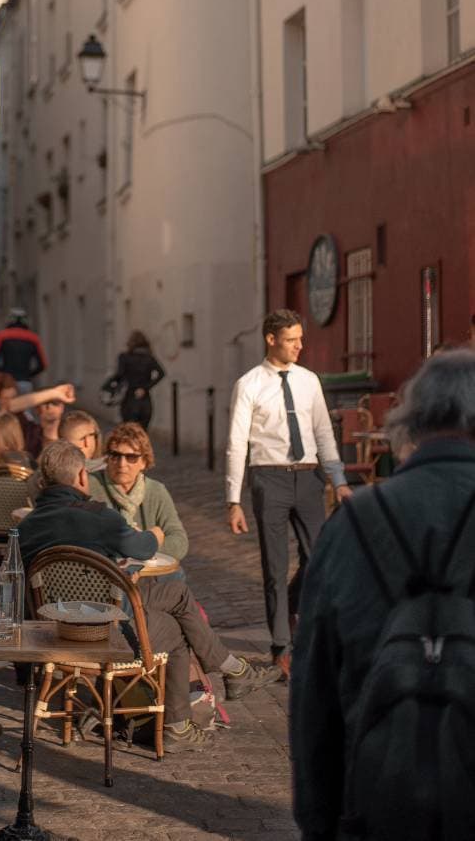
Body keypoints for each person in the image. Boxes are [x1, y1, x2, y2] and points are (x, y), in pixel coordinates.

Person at [290, 349, 475, 841]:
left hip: (378, 803)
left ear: (409, 425)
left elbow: (313, 698)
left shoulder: (353, 523)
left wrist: (318, 823)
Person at [18, 442, 281, 750]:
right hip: (105, 630)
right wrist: (155, 534)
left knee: (178, 594)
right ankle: (182, 721)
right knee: (172, 628)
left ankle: (232, 671)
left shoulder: (27, 526)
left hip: (54, 633)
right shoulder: (97, 516)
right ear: (80, 476)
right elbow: (142, 548)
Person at [224, 309, 351, 677]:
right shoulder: (249, 384)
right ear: (271, 339)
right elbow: (236, 444)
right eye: (292, 339)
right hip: (269, 478)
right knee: (274, 567)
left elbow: (324, 432)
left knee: (320, 559)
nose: (300, 345)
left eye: (300, 338)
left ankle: (300, 612)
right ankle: (282, 646)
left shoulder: (309, 380)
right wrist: (233, 500)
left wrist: (338, 479)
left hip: (309, 478)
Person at [89, 423, 189, 564]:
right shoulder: (90, 486)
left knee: (176, 580)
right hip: (106, 571)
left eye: (131, 457)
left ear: (144, 462)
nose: (122, 464)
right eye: (115, 455)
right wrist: (144, 542)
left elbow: (180, 543)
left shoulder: (156, 491)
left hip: (148, 573)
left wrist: (142, 546)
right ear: (107, 458)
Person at [102, 331, 166, 429]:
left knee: (129, 433)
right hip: (145, 401)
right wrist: (145, 388)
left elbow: (119, 375)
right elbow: (161, 373)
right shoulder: (149, 358)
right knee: (142, 435)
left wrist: (108, 386)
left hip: (129, 399)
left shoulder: (124, 357)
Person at [0, 309, 47, 392]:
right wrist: (29, 374)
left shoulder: (2, 336)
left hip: (7, 382)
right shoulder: (33, 338)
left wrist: (0, 373)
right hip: (25, 382)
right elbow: (43, 364)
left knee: (6, 404)